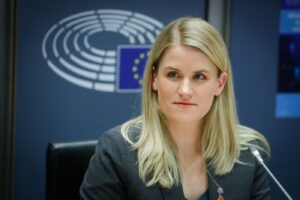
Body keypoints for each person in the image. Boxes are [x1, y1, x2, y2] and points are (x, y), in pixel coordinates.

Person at [80, 17, 270, 200]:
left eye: (199, 77)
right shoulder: (116, 152)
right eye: (173, 74)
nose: (185, 90)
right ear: (154, 78)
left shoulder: (247, 153)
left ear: (220, 84)